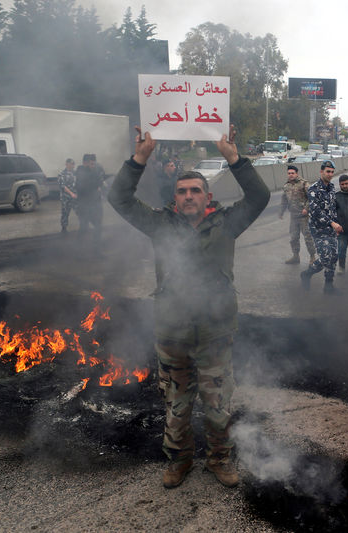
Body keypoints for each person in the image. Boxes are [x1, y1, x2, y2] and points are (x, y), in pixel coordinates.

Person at [108, 124, 269, 489]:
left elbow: (258, 197)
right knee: (177, 407)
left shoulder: (226, 224)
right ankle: (179, 460)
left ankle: (219, 459)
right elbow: (119, 199)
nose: (189, 195)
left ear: (207, 196)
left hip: (215, 334)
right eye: (182, 191)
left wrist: (233, 157)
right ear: (175, 198)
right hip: (173, 334)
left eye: (196, 190)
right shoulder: (160, 225)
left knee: (217, 408)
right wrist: (140, 159)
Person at [300, 160, 342, 293]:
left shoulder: (331, 188)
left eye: (332, 172)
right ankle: (307, 274)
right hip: (318, 229)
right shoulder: (314, 189)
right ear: (321, 172)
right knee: (325, 258)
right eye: (327, 171)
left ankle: (328, 285)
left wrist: (336, 225)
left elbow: (333, 209)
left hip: (331, 229)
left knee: (334, 256)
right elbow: (315, 211)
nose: (330, 174)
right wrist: (332, 223)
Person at [279, 165, 316, 265]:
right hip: (294, 217)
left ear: (297, 173)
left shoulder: (304, 183)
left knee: (308, 238)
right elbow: (284, 199)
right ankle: (296, 256)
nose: (290, 175)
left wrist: (306, 208)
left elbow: (312, 197)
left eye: (292, 173)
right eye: (289, 173)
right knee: (293, 238)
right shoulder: (286, 186)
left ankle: (312, 257)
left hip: (304, 217)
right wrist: (281, 212)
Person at [75, 153, 107, 244]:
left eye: (94, 163)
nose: (93, 166)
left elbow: (100, 183)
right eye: (91, 164)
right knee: (84, 228)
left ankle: (97, 251)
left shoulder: (95, 171)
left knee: (98, 227)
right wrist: (96, 186)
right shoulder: (80, 172)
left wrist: (99, 186)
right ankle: (78, 250)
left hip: (95, 206)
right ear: (85, 163)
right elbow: (82, 188)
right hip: (84, 207)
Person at [57, 158, 78, 234]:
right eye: (72, 164)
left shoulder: (75, 173)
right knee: (65, 213)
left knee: (80, 211)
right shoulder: (62, 174)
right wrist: (71, 193)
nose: (73, 165)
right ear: (67, 164)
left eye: (73, 164)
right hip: (66, 198)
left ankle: (84, 226)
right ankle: (64, 229)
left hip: (75, 197)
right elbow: (63, 186)